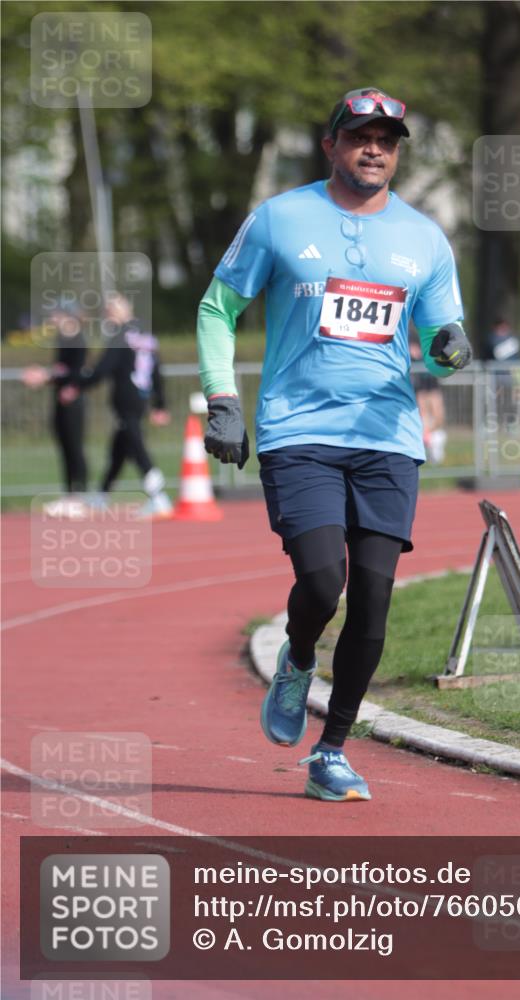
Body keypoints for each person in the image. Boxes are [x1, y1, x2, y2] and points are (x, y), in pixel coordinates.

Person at [197, 87, 472, 801]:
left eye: (386, 138)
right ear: (331, 145)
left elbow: (444, 346)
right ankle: (296, 659)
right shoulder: (280, 219)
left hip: (386, 436)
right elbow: (216, 307)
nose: (373, 148)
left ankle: (332, 750)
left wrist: (447, 350)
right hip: (300, 432)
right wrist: (221, 399)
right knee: (324, 582)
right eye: (359, 136)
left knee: (374, 601)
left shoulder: (424, 238)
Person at [73, 292, 173, 518]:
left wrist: (77, 384)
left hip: (126, 397)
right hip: (141, 396)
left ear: (123, 311)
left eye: (111, 310)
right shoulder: (146, 334)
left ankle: (158, 494)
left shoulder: (121, 336)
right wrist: (160, 404)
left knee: (135, 444)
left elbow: (102, 369)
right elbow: (157, 371)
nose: (108, 314)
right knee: (120, 447)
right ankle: (101, 496)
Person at [22, 300, 89, 517]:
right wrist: (44, 376)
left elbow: (76, 373)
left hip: (74, 404)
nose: (53, 319)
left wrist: (46, 376)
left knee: (75, 447)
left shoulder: (78, 340)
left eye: (56, 315)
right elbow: (61, 371)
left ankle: (80, 495)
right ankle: (69, 494)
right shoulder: (62, 339)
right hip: (60, 402)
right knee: (65, 447)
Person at [409, 329, 447, 463]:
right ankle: (426, 442)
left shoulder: (432, 328)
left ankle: (431, 441)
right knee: (424, 413)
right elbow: (412, 349)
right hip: (420, 381)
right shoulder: (411, 330)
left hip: (432, 379)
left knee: (438, 414)